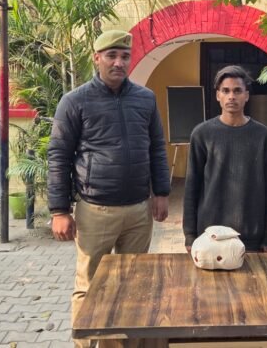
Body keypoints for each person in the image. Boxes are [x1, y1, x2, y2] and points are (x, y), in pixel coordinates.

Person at [47, 29, 171, 347]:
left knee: (134, 285)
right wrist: (59, 210)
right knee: (90, 286)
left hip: (138, 211)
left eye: (124, 56)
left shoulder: (145, 99)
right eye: (111, 55)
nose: (118, 62)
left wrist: (161, 193)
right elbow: (59, 155)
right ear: (97, 58)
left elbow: (157, 147)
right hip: (95, 210)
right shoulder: (75, 101)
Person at [183, 65, 267, 253]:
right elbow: (192, 187)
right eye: (225, 91)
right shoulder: (202, 134)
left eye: (237, 91)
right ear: (218, 95)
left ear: (246, 95)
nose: (231, 96)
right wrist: (190, 235)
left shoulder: (262, 136)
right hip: (209, 235)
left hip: (251, 236)